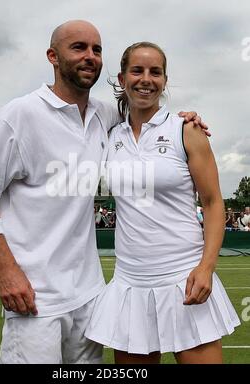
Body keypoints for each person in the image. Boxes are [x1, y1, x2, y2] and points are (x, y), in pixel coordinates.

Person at [0, 21, 208, 364]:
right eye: (78, 48)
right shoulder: (17, 115)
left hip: (90, 296)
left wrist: (185, 120)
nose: (90, 56)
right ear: (52, 56)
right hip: (35, 298)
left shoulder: (104, 115)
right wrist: (7, 270)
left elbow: (144, 112)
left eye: (96, 49)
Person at [85, 42, 240, 364]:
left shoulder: (187, 130)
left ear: (165, 81)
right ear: (122, 77)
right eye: (137, 70)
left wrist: (206, 268)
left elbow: (212, 203)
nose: (146, 79)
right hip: (129, 284)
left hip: (184, 279)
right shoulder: (111, 133)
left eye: (155, 72)